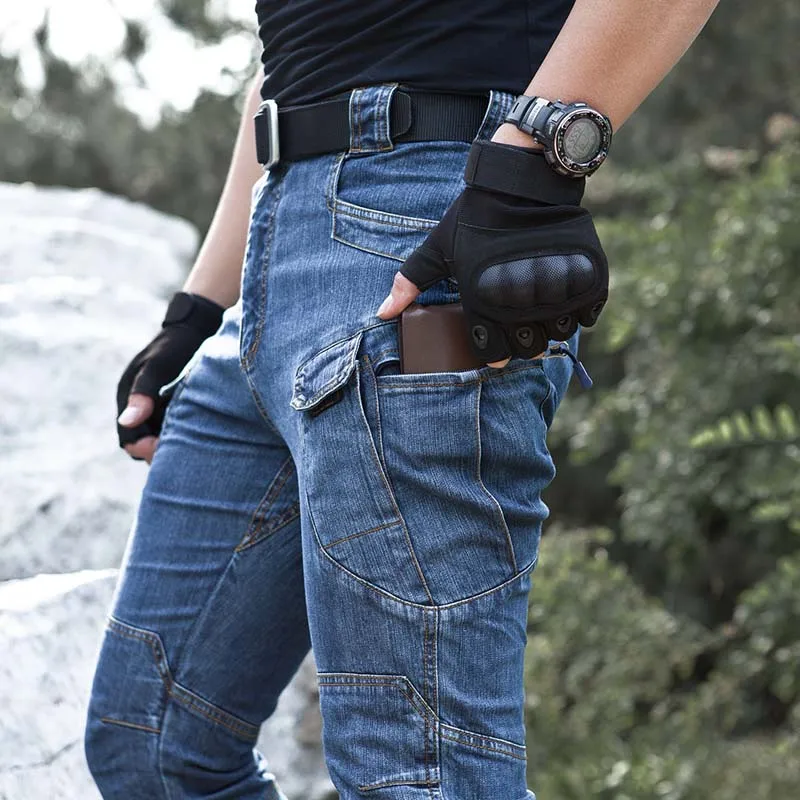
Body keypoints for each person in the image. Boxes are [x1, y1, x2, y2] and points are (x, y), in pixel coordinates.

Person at [84, 1, 720, 797]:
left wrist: (530, 164)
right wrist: (198, 309)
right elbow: (301, 57)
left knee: (421, 777)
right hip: (272, 252)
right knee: (152, 746)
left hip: (422, 232)